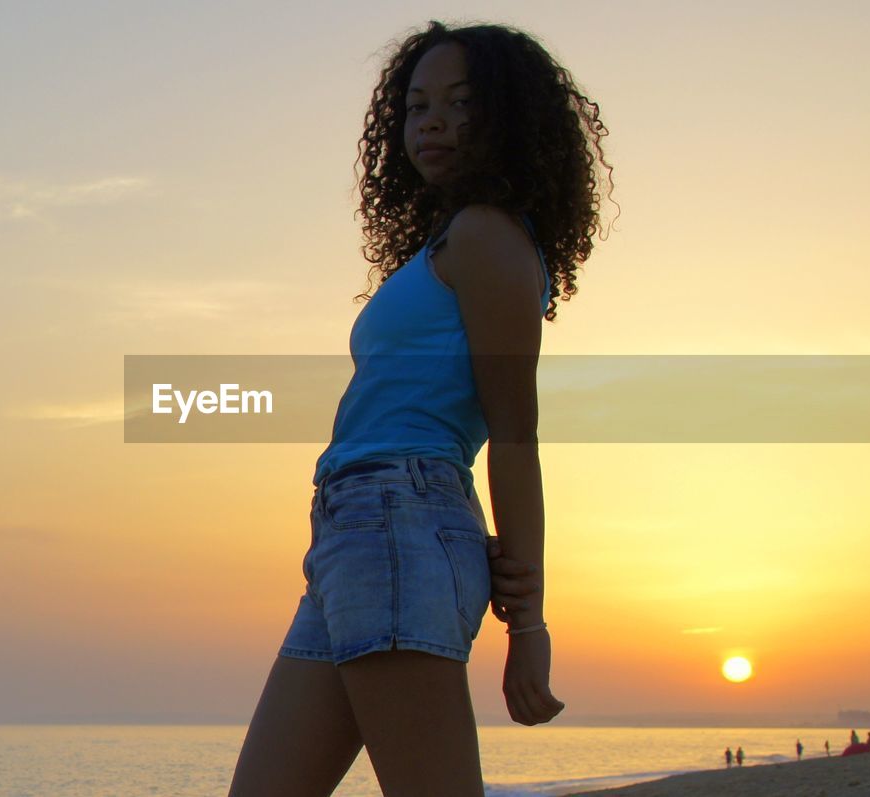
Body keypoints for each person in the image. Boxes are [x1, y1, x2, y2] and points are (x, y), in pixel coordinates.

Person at [227, 18, 615, 797]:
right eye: (416, 106)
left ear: (507, 117)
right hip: (351, 532)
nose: (431, 121)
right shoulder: (445, 244)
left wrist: (530, 623)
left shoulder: (489, 238)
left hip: (400, 518)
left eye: (460, 102)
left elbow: (515, 432)